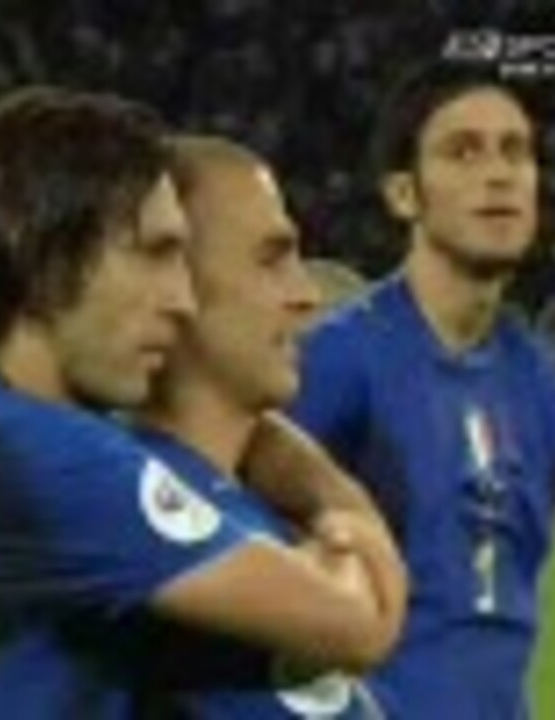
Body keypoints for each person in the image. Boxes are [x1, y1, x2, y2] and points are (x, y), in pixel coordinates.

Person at [0, 87, 401, 719]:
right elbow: (363, 623)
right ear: (49, 255)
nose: (180, 300)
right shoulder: (44, 458)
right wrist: (326, 493)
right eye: (154, 254)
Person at [289, 61, 555, 720]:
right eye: (462, 152)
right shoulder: (339, 362)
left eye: (515, 151)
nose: (499, 174)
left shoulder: (539, 384)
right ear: (403, 194)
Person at [132, 135, 407, 717]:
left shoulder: (245, 514)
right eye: (271, 259)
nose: (307, 296)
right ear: (172, 282)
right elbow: (369, 619)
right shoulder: (135, 516)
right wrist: (335, 497)